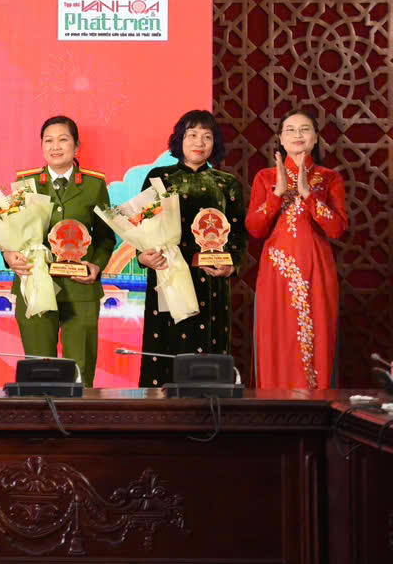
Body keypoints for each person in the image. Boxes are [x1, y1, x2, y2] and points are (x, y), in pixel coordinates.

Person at [137, 109, 247, 387]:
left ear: (215, 143)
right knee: (166, 355)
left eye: (207, 137)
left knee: (208, 361)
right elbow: (141, 227)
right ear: (180, 140)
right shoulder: (159, 177)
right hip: (168, 275)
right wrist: (143, 257)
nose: (199, 142)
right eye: (192, 135)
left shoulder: (227, 183)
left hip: (211, 281)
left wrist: (231, 264)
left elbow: (238, 233)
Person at [5, 116, 115, 386]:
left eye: (63, 140)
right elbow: (11, 232)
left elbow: (106, 237)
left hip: (81, 288)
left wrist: (97, 265)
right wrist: (7, 254)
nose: (55, 147)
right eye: (49, 141)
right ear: (41, 145)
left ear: (76, 146)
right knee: (39, 369)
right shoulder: (26, 183)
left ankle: (79, 414)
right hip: (35, 283)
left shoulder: (94, 185)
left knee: (81, 370)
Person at [247, 109, 347, 389]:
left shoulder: (330, 178)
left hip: (316, 268)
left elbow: (337, 228)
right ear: (281, 139)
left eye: (305, 129)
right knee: (276, 335)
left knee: (317, 336)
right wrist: (277, 194)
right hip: (277, 271)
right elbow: (255, 229)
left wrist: (308, 195)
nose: (297, 134)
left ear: (315, 138)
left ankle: (315, 401)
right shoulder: (265, 177)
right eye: (290, 130)